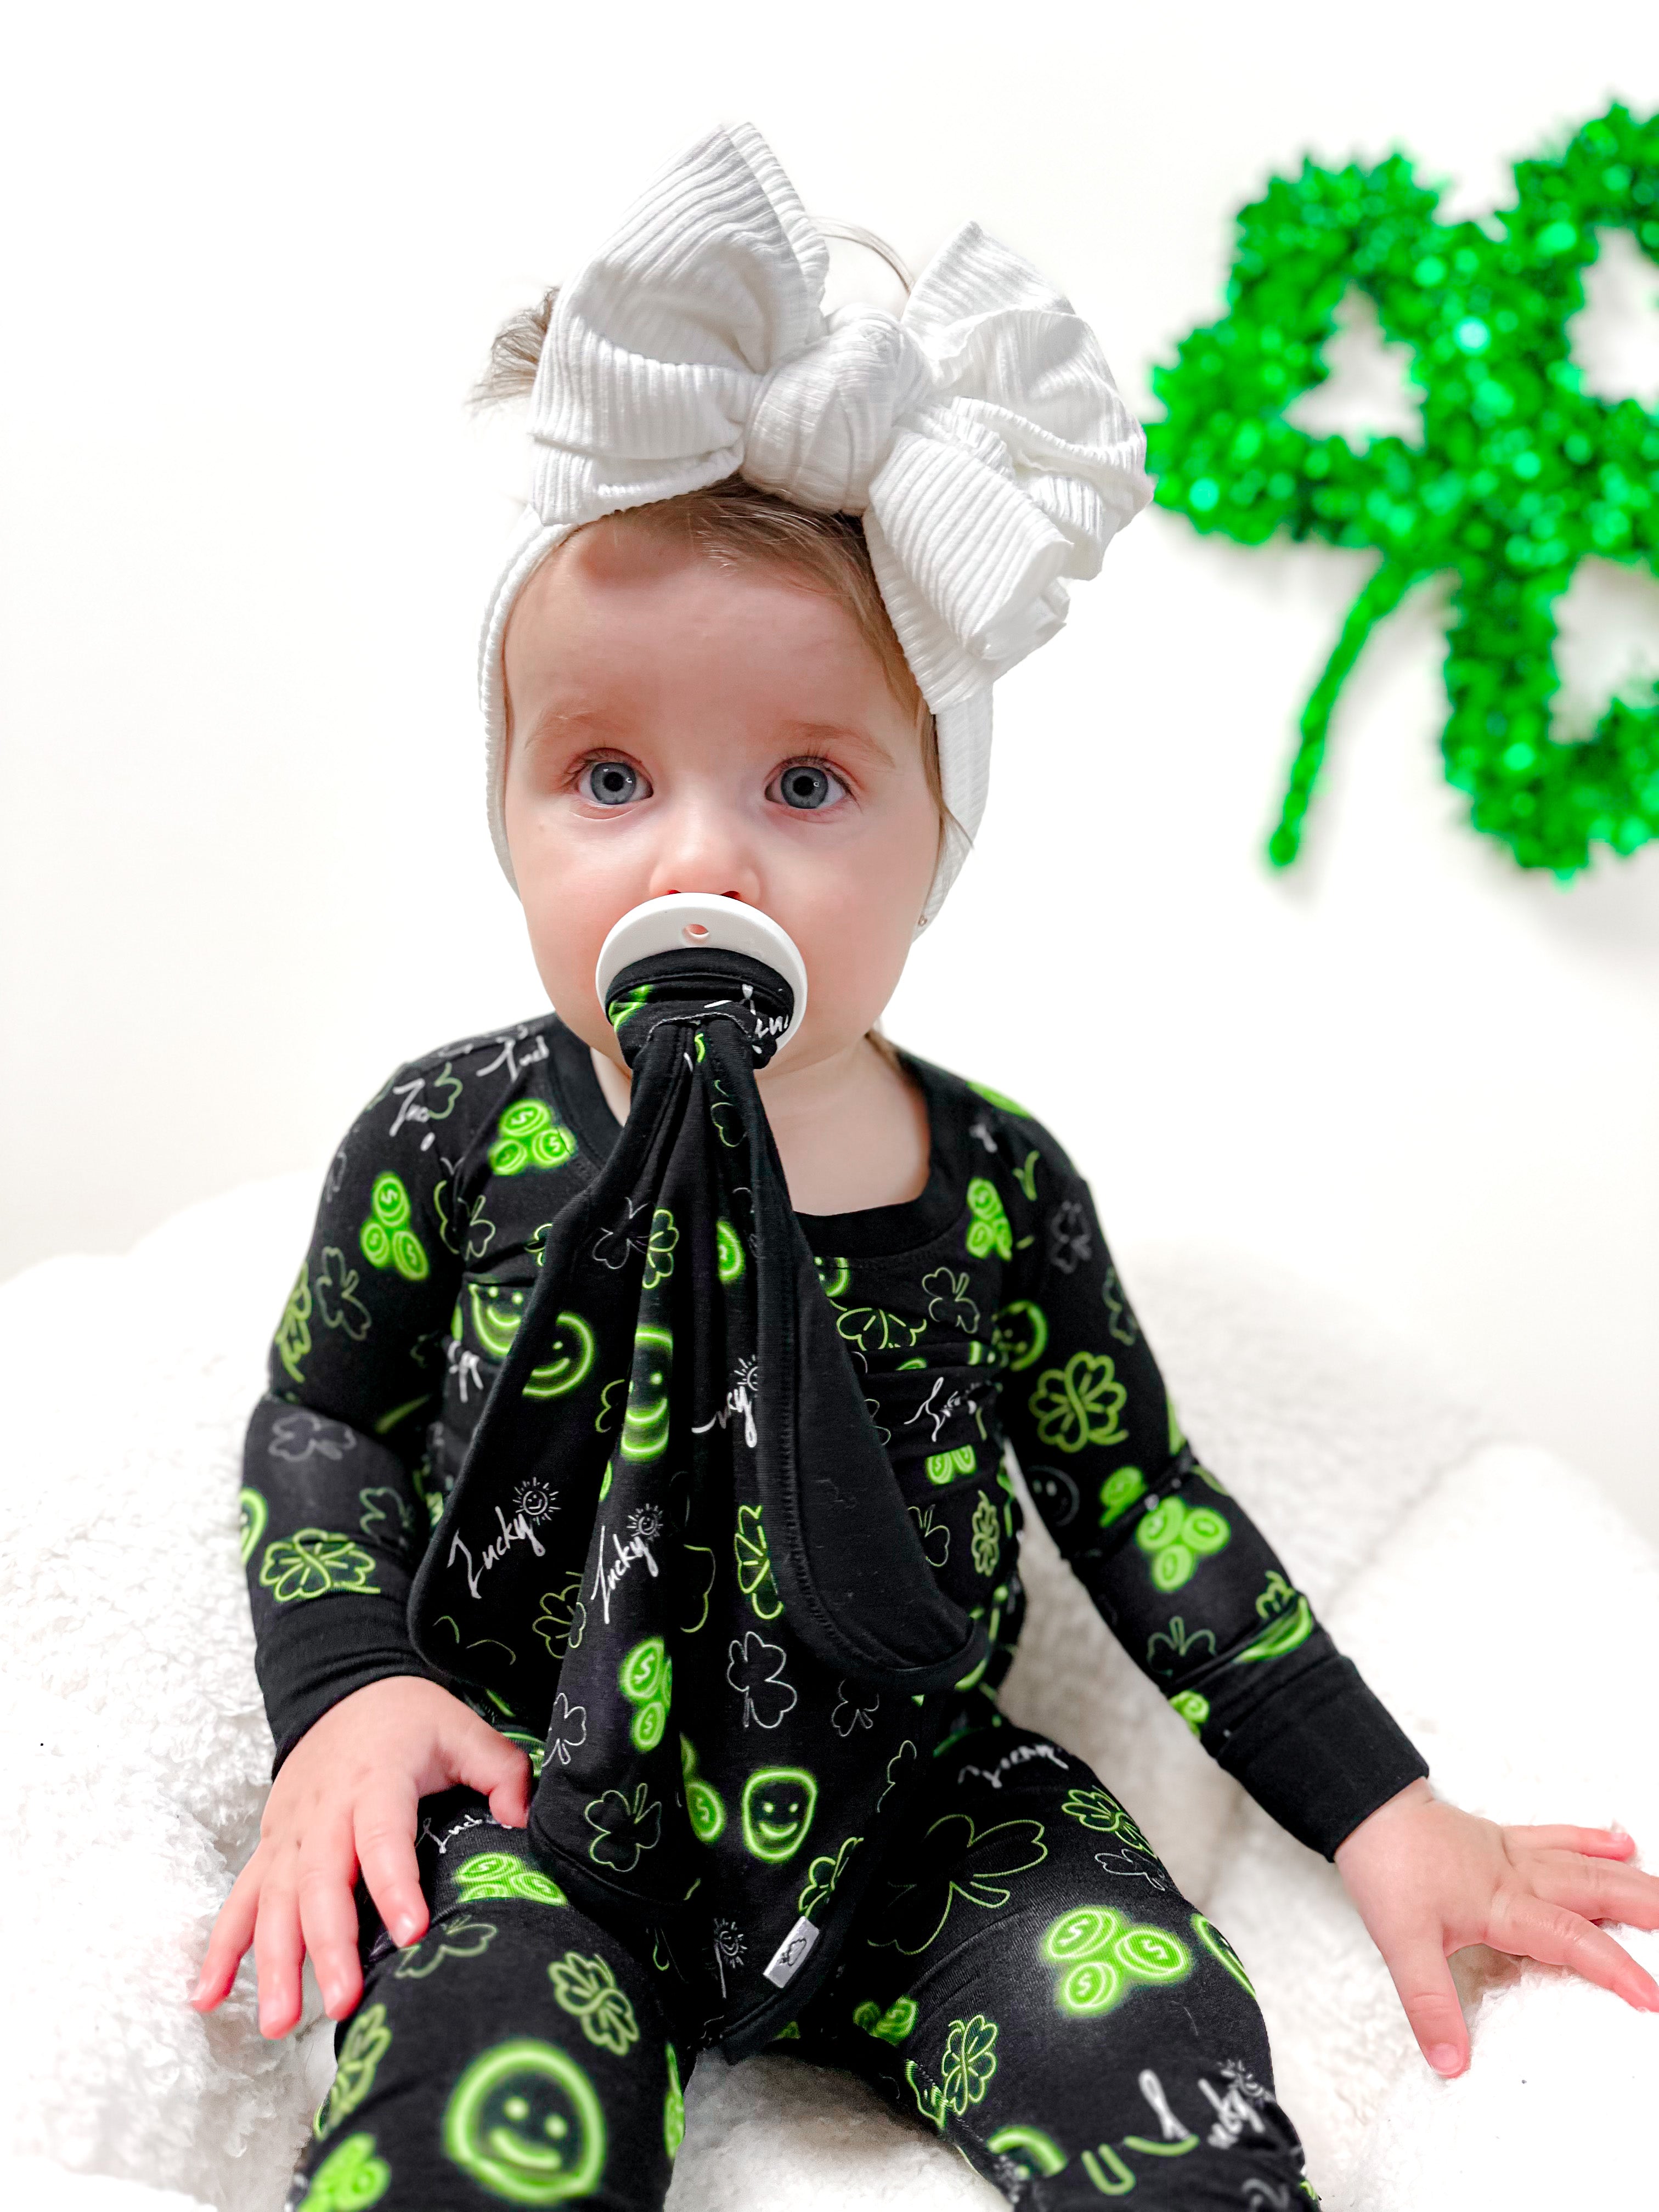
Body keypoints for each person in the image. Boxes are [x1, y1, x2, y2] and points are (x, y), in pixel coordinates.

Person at [191, 126, 1659, 2211]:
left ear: (937, 836)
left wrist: (1383, 1809)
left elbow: (1138, 1501)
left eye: (807, 783)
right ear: (505, 803)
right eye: (607, 773)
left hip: (915, 1818)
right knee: (468, 2107)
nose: (702, 857)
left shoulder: (992, 1188)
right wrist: (350, 1689)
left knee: (1146, 2035)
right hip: (530, 1791)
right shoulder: (451, 1137)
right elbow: (323, 1414)